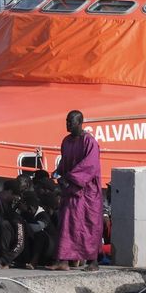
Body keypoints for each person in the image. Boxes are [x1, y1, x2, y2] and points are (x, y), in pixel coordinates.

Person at [47, 110, 103, 272]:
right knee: (67, 224)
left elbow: (90, 165)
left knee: (89, 226)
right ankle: (63, 260)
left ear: (80, 122)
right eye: (67, 121)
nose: (68, 124)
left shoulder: (89, 142)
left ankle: (93, 262)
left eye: (71, 122)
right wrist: (59, 171)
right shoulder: (66, 141)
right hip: (71, 190)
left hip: (87, 192)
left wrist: (70, 177)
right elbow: (65, 161)